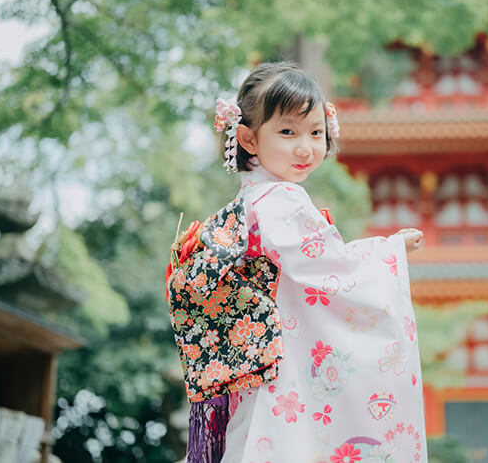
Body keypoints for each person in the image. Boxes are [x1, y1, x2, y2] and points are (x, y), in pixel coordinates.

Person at [168, 62, 427, 463]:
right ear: (248, 139)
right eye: (288, 132)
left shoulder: (252, 199)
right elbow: (332, 270)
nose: (305, 146)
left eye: (316, 132)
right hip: (281, 361)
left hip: (263, 361)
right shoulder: (280, 201)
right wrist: (388, 252)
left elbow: (321, 261)